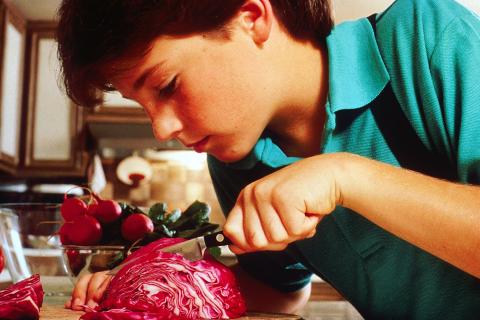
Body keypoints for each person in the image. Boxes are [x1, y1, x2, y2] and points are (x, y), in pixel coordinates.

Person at [56, 0, 480, 318]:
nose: (161, 129)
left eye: (167, 85)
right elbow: (282, 290)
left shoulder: (422, 40)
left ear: (253, 18)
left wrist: (344, 176)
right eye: (141, 103)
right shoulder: (235, 160)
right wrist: (152, 288)